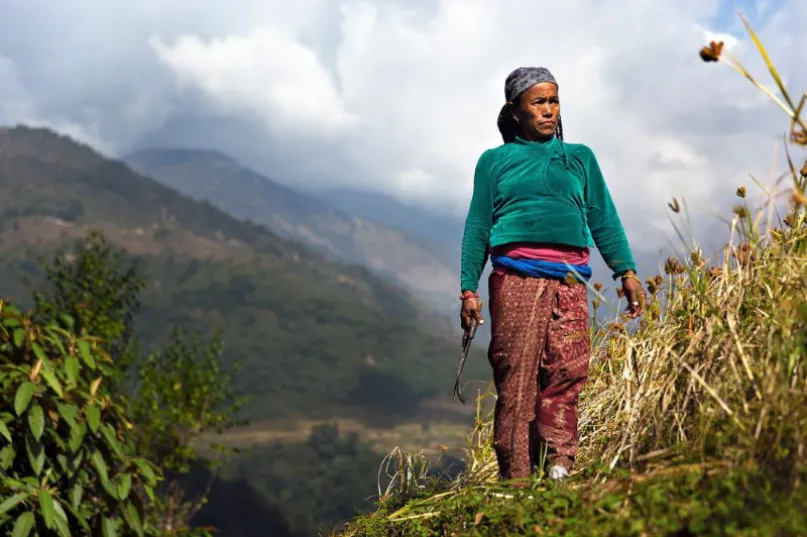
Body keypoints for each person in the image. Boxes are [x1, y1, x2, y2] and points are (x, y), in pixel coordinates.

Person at [459, 66, 645, 484]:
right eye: (538, 102)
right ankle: (517, 480)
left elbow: (603, 218)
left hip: (570, 281)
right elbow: (477, 226)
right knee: (517, 378)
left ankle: (559, 464)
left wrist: (626, 271)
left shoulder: (579, 158)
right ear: (515, 111)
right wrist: (468, 289)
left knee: (568, 369)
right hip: (515, 279)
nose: (549, 110)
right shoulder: (495, 162)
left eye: (554, 101)